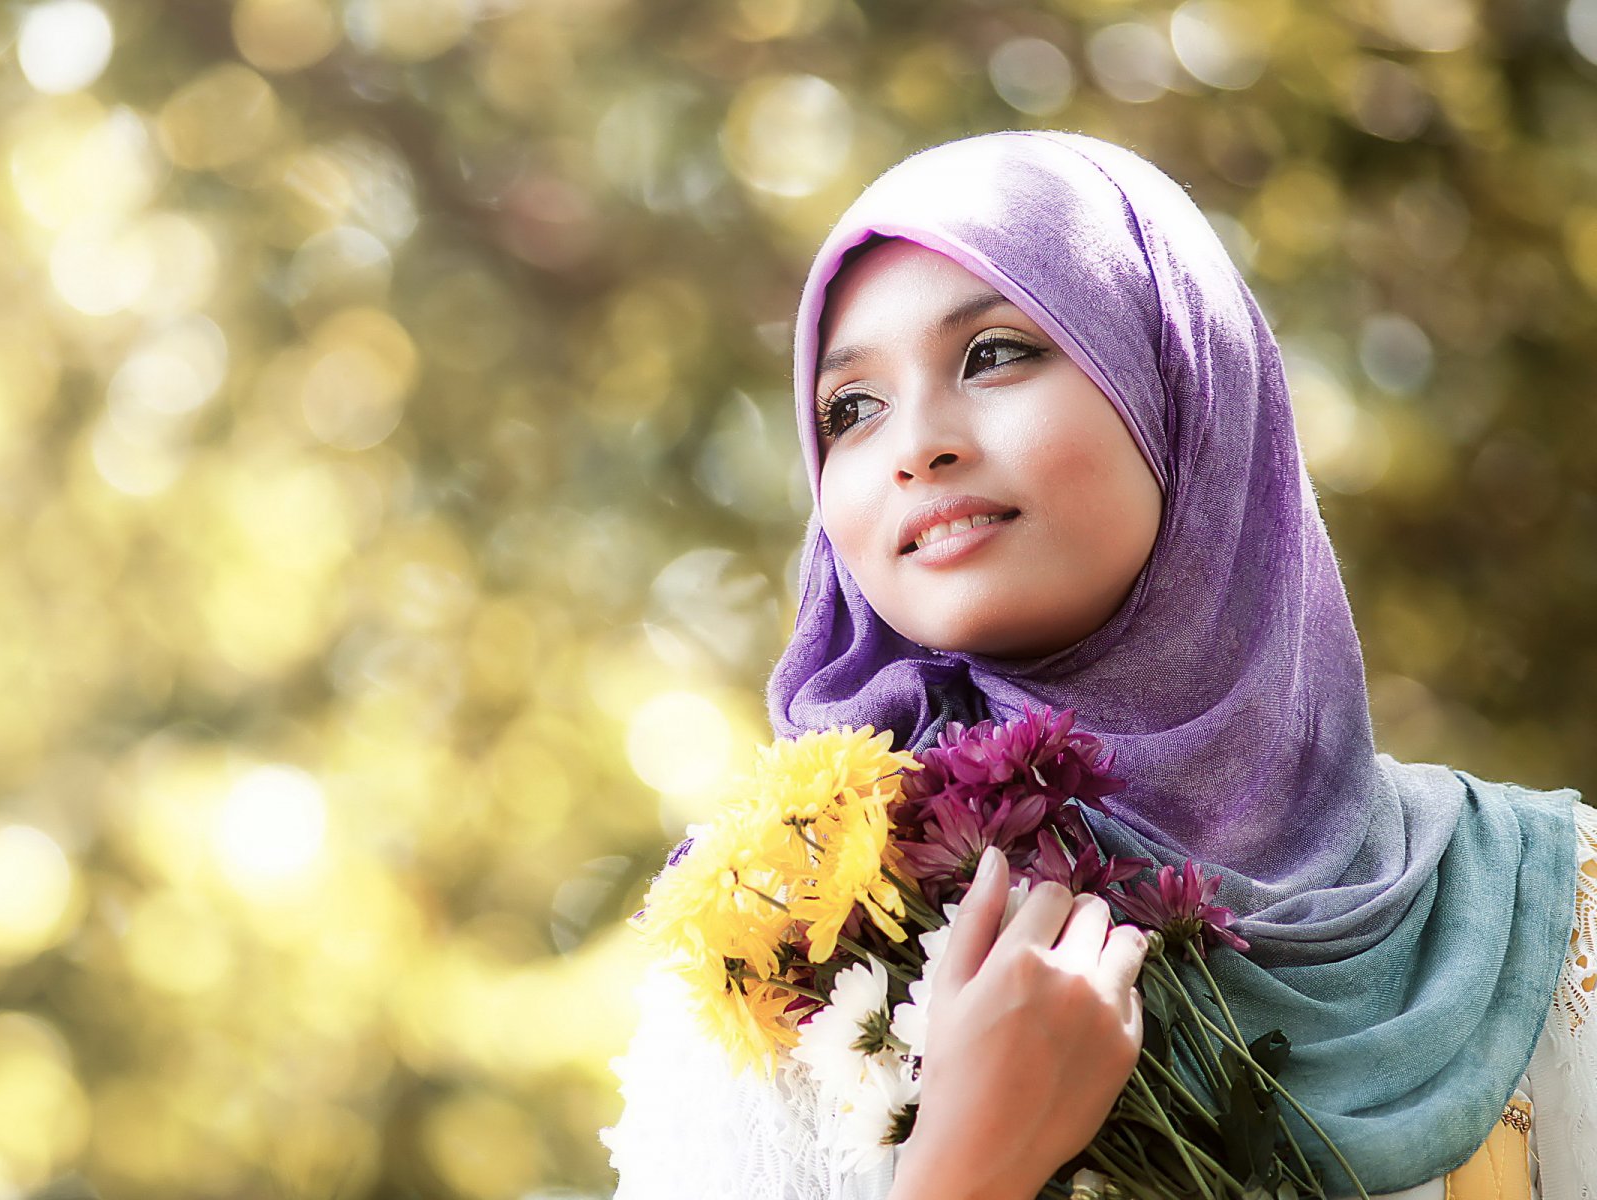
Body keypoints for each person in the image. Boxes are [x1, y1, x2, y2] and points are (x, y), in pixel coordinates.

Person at [599, 130, 1597, 1200]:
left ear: (1182, 386)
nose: (913, 445)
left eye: (993, 353)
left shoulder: (1544, 903)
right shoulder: (787, 946)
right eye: (851, 409)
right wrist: (966, 1168)